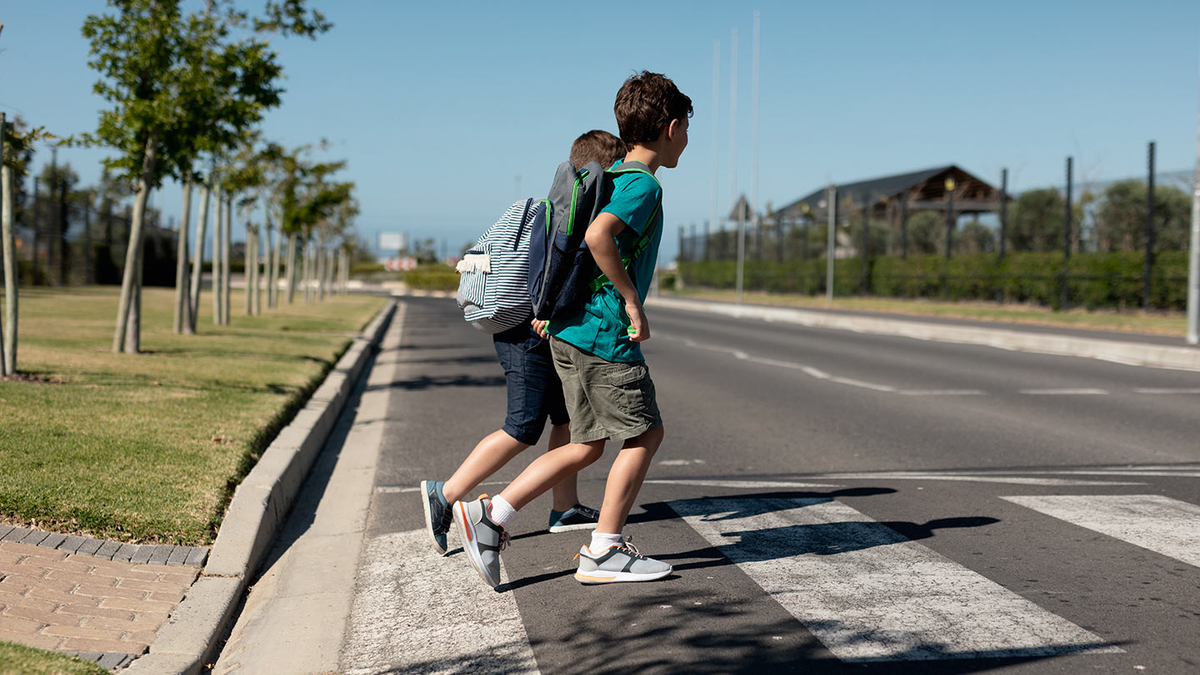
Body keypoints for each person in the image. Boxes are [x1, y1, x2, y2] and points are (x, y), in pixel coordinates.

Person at [453, 71, 691, 586]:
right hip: (603, 333)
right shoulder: (642, 185)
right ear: (671, 127)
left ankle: (490, 515)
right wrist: (632, 300)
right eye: (687, 129)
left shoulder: (607, 176)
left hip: (568, 331)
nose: (687, 140)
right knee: (646, 433)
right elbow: (600, 236)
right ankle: (605, 550)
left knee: (585, 445)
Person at [420, 130, 628, 557]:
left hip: (530, 328)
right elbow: (553, 274)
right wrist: (549, 314)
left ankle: (564, 507)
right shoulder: (572, 211)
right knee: (523, 426)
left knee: (566, 418)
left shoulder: (553, 206)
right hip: (526, 333)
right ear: (603, 170)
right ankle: (445, 494)